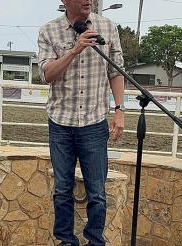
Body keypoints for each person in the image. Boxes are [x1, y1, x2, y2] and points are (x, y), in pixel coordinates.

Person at [38, 0, 125, 245]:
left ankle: (94, 241)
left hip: (95, 123)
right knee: (62, 190)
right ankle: (66, 241)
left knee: (97, 192)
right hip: (61, 123)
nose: (88, 0)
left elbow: (116, 73)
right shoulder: (48, 31)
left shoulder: (107, 28)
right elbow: (47, 75)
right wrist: (74, 50)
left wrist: (119, 110)